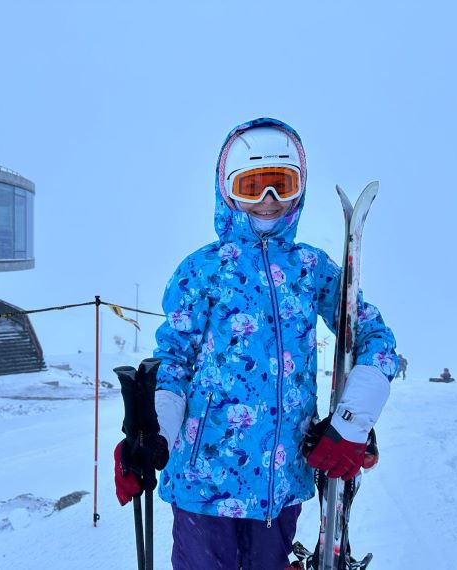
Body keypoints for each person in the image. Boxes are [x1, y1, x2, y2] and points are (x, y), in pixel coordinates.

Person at [114, 118, 398, 569]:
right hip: (203, 487)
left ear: (299, 190)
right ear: (228, 191)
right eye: (253, 187)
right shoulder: (202, 270)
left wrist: (351, 421)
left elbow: (377, 342)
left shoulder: (313, 270)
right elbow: (174, 363)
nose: (269, 202)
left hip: (279, 487)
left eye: (281, 186)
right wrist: (156, 436)